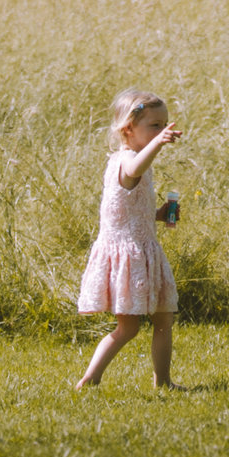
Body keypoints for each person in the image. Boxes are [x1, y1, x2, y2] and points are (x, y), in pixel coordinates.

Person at [75, 88, 182, 390]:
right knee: (128, 328)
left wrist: (159, 214)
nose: (162, 131)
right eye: (154, 126)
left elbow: (130, 210)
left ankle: (164, 381)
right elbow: (134, 170)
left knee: (164, 320)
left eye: (165, 125)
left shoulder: (134, 160)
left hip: (144, 251)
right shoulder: (128, 160)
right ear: (128, 128)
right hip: (130, 258)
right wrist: (158, 145)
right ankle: (90, 378)